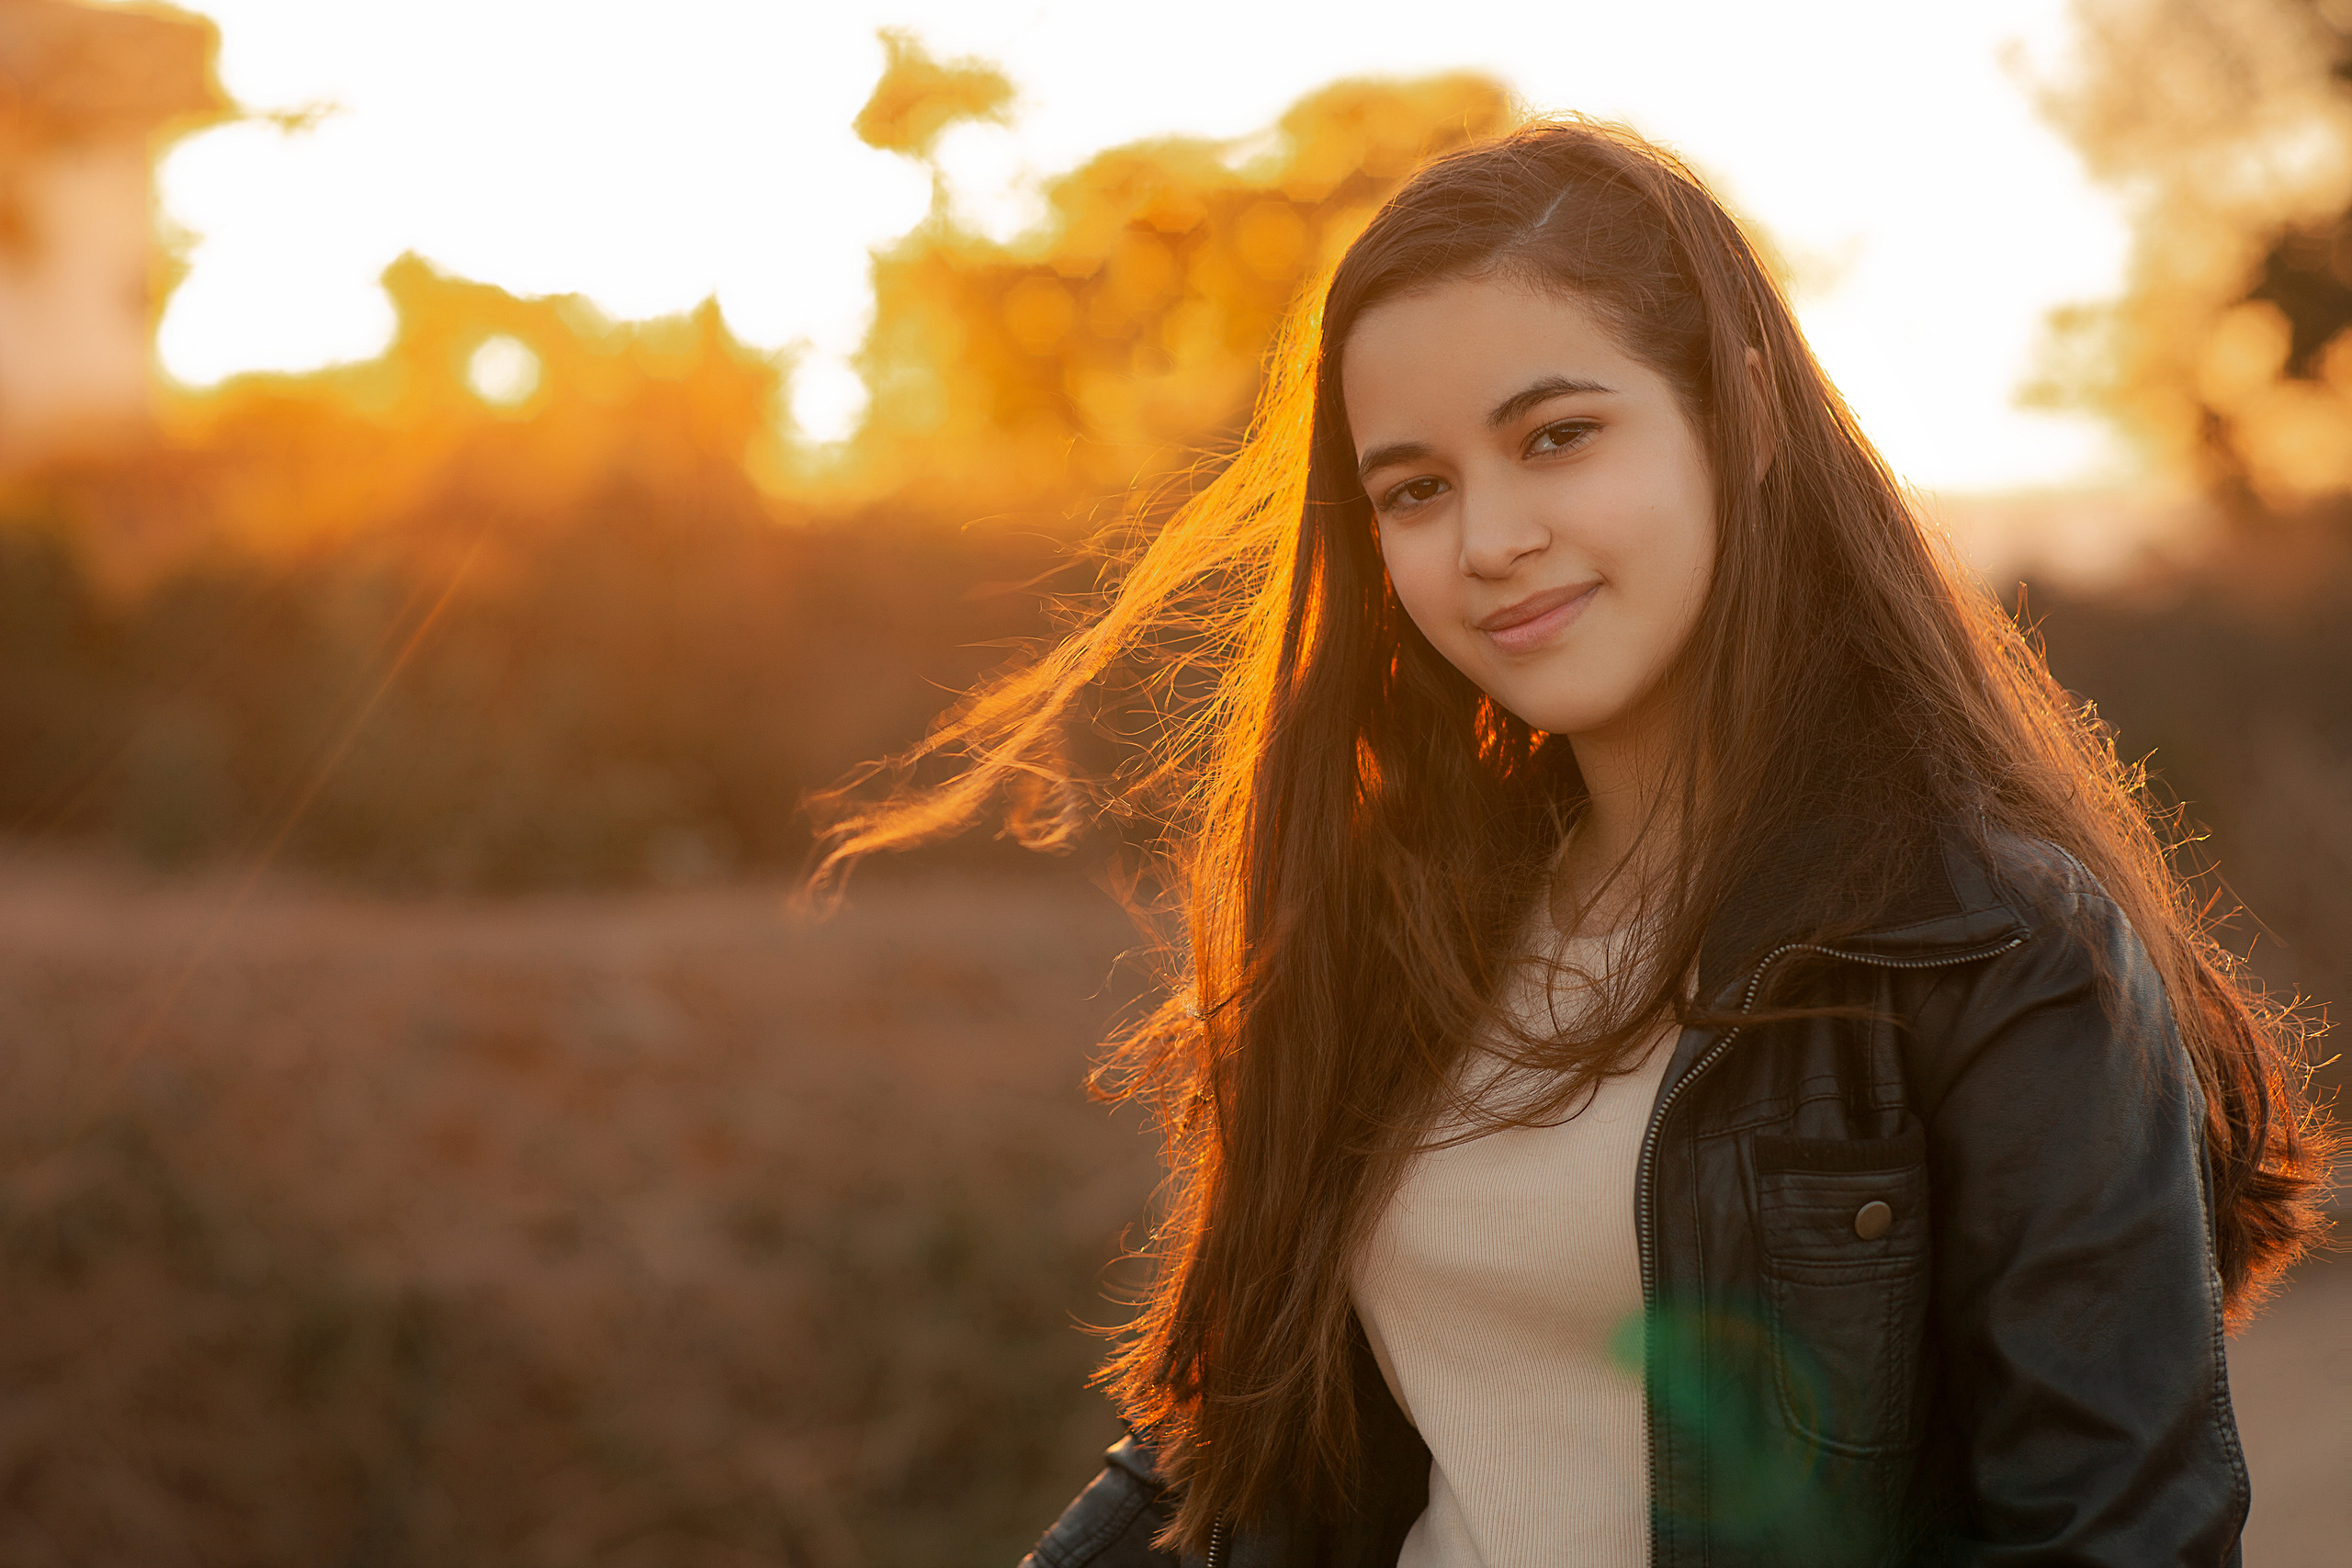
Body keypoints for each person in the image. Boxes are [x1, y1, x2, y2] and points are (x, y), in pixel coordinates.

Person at [810, 119, 2334, 1566]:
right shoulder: (1404, 922)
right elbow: (1244, 1440)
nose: (1486, 541)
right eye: (1415, 489)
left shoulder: (1993, 949)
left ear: (1738, 422)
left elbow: (2119, 1536)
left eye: (1555, 437)